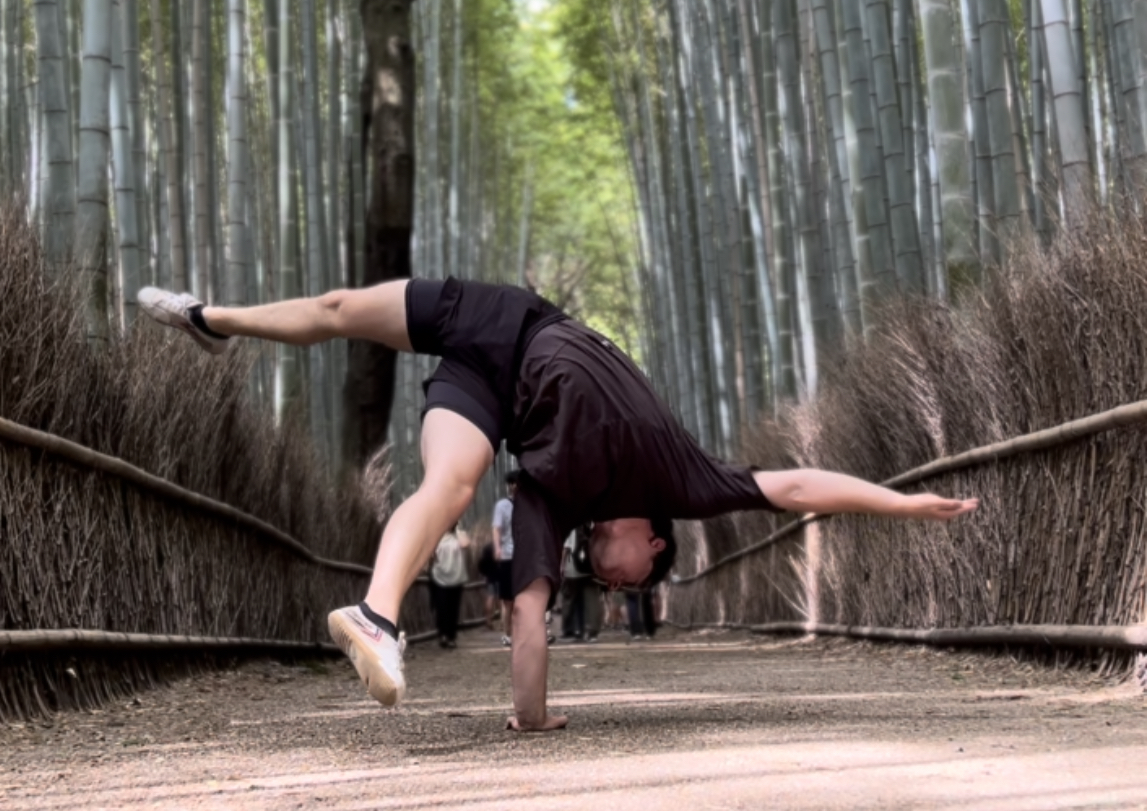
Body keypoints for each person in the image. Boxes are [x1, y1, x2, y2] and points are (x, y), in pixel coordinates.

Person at [138, 276, 979, 728]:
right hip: (506, 320)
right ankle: (212, 317)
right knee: (336, 310)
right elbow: (794, 487)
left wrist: (532, 722)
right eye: (625, 582)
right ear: (655, 545)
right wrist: (902, 505)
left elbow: (530, 620)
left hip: (487, 398)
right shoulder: (681, 480)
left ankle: (377, 618)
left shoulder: (548, 501)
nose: (607, 583)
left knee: (448, 486)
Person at [429, 525, 469, 647]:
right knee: (441, 608)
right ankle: (443, 635)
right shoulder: (436, 535)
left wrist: (457, 530)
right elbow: (430, 554)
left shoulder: (459, 536)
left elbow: (465, 544)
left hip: (456, 577)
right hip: (439, 576)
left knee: (453, 608)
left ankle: (451, 637)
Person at [491, 471, 518, 645]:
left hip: (524, 558)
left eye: (516, 483)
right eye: (511, 483)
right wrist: (497, 548)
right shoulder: (502, 505)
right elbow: (497, 527)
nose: (514, 486)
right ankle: (507, 634)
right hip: (508, 556)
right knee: (508, 600)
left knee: (522, 599)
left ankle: (520, 633)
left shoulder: (529, 505)